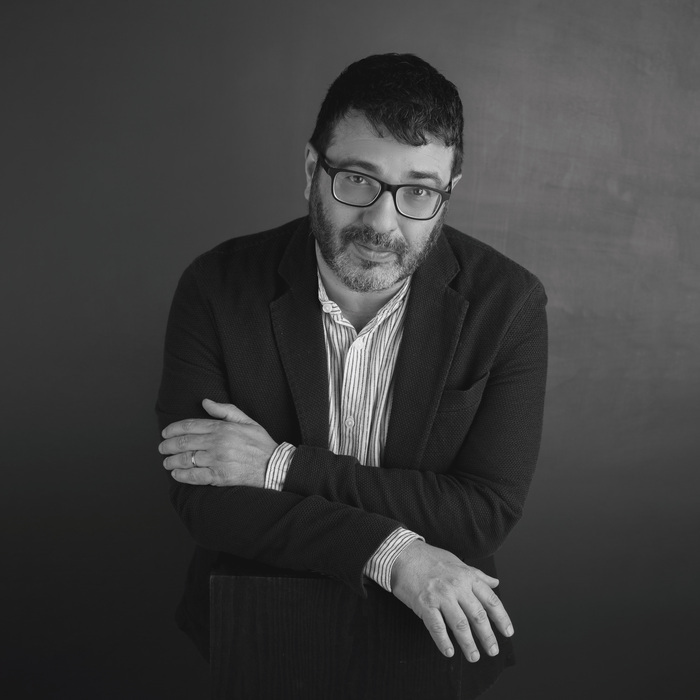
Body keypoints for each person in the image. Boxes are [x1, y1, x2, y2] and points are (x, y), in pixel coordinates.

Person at [156, 53, 547, 696]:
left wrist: (280, 466)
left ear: (449, 190)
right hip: (257, 620)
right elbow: (206, 503)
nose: (382, 223)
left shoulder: (509, 305)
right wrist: (393, 553)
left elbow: (483, 513)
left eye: (419, 191)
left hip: (433, 630)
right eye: (358, 180)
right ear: (313, 169)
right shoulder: (216, 287)